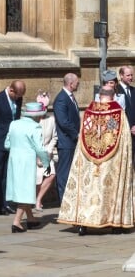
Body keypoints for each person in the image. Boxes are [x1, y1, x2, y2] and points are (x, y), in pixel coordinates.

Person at [58, 86, 134, 236]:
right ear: (113, 96)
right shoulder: (117, 113)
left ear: (99, 95)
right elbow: (122, 139)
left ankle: (83, 224)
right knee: (108, 191)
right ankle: (114, 223)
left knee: (88, 189)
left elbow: (84, 134)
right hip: (111, 160)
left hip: (88, 159)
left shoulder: (88, 112)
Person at [5, 102, 50, 233]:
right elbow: (40, 149)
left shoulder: (14, 124)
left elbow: (7, 144)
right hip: (27, 161)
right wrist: (46, 163)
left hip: (13, 159)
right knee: (27, 191)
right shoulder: (35, 127)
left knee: (23, 189)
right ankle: (17, 222)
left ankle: (30, 218)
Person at [0, 80, 26, 215]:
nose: (18, 99)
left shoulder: (18, 98)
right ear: (11, 90)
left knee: (8, 173)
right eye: (16, 96)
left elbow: (16, 117)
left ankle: (6, 203)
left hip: (12, 141)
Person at [53, 73, 80, 204]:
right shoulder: (61, 99)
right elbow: (64, 122)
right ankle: (64, 201)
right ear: (71, 84)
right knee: (64, 173)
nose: (78, 84)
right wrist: (76, 134)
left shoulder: (69, 97)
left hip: (72, 142)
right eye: (77, 82)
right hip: (66, 142)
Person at [35, 91, 58, 212]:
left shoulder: (51, 119)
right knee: (38, 178)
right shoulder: (32, 121)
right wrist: (37, 155)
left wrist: (49, 151)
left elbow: (54, 137)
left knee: (51, 175)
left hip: (47, 152)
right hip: (35, 153)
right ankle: (35, 200)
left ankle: (38, 199)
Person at [117, 66, 135, 156]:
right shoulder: (115, 90)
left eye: (132, 75)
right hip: (123, 133)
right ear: (121, 75)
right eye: (128, 75)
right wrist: (128, 127)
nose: (131, 78)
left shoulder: (134, 90)